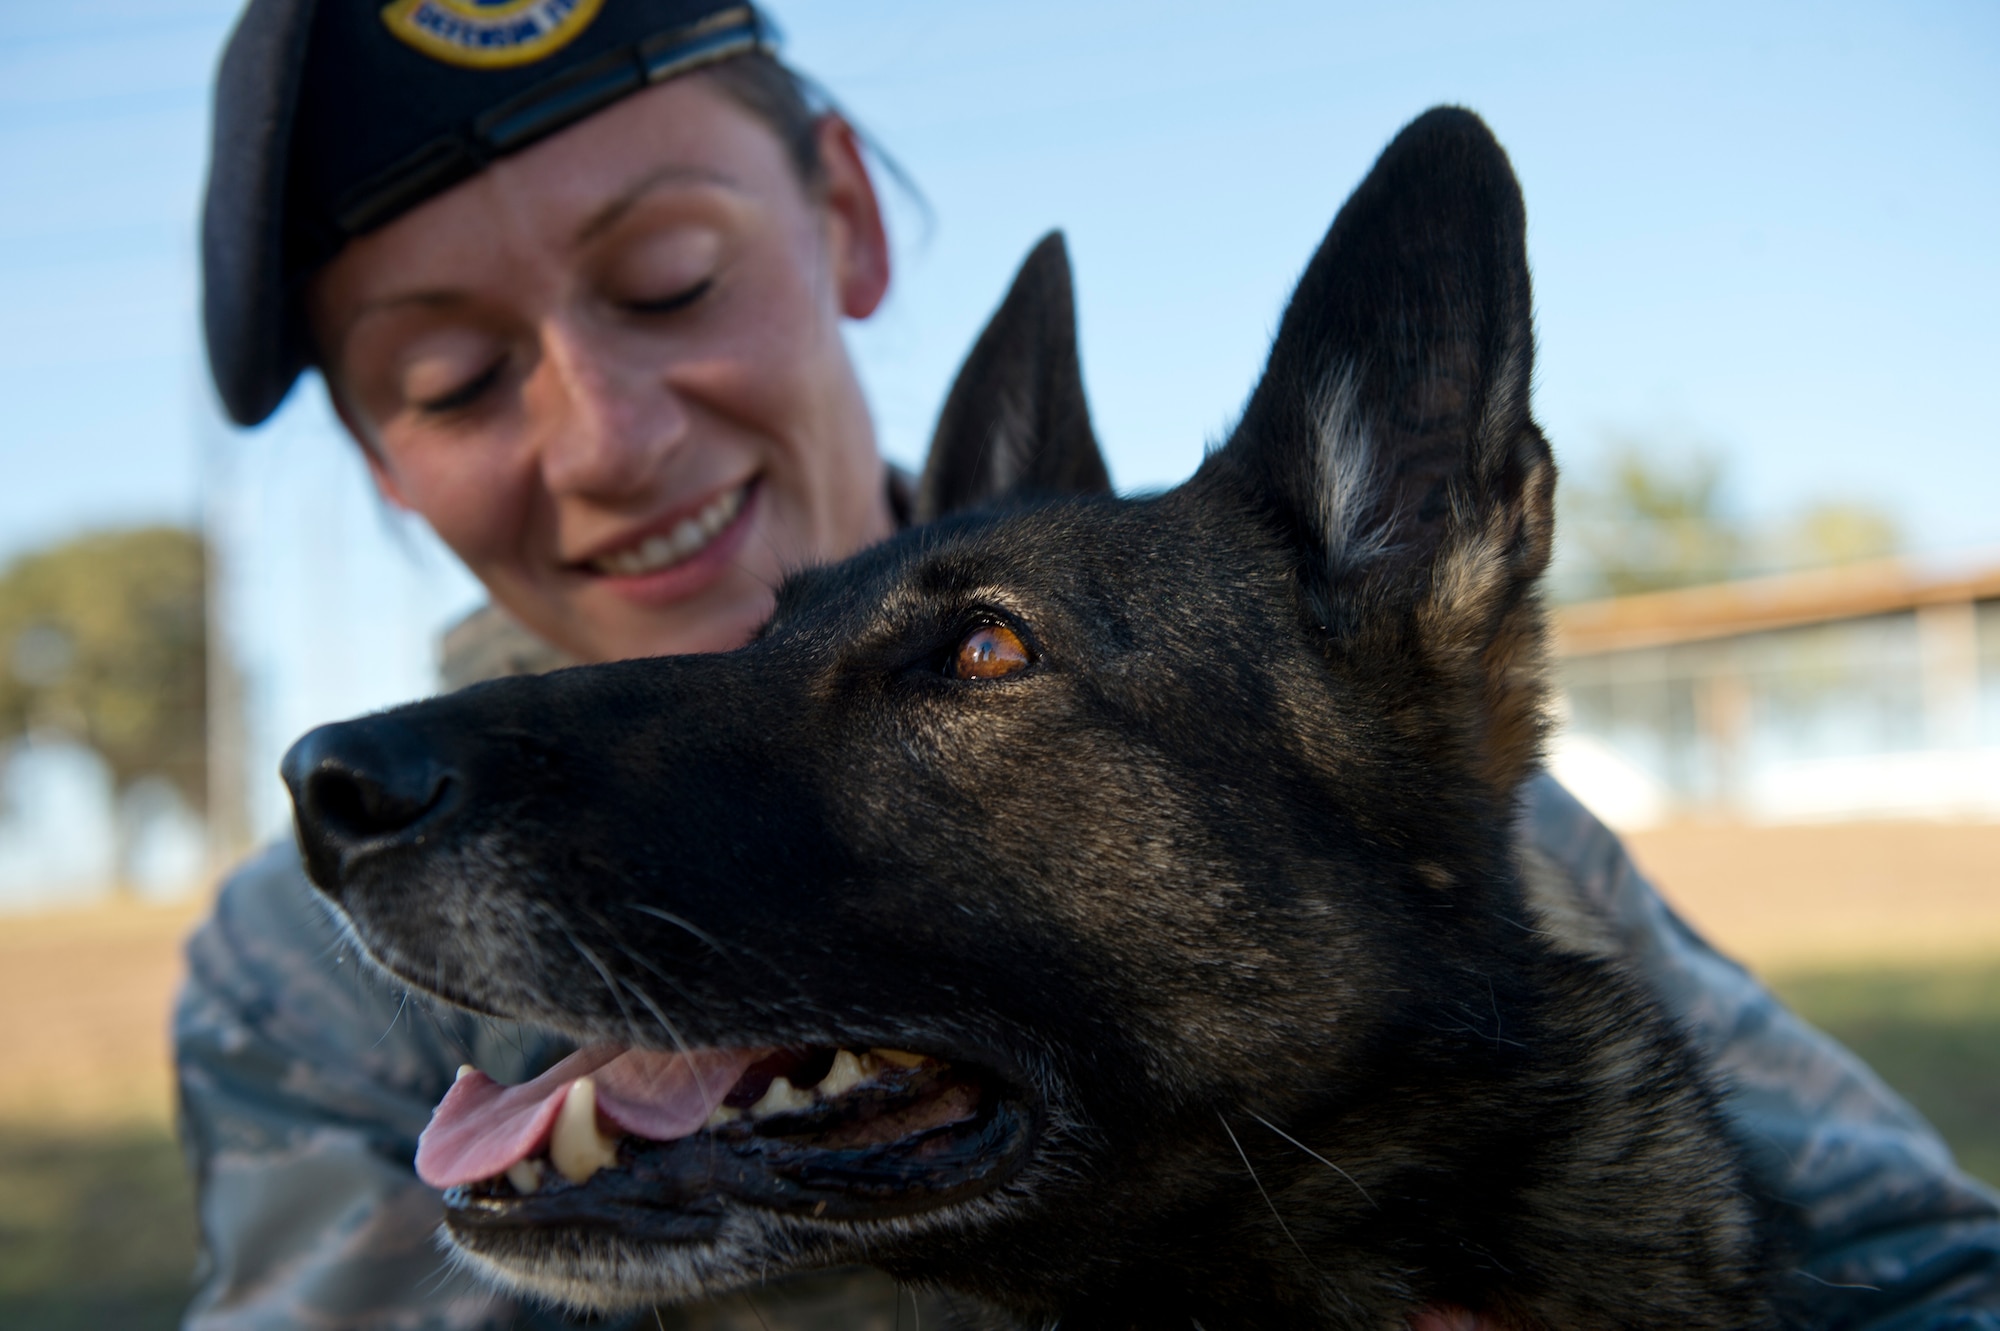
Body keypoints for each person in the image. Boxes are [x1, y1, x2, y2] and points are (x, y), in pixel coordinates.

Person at [178, 1, 2000, 1327]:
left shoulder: (1365, 786)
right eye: (451, 381)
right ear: (373, 456)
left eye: (664, 281)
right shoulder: (305, 986)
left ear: (845, 220)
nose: (606, 435)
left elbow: (1930, 1270)